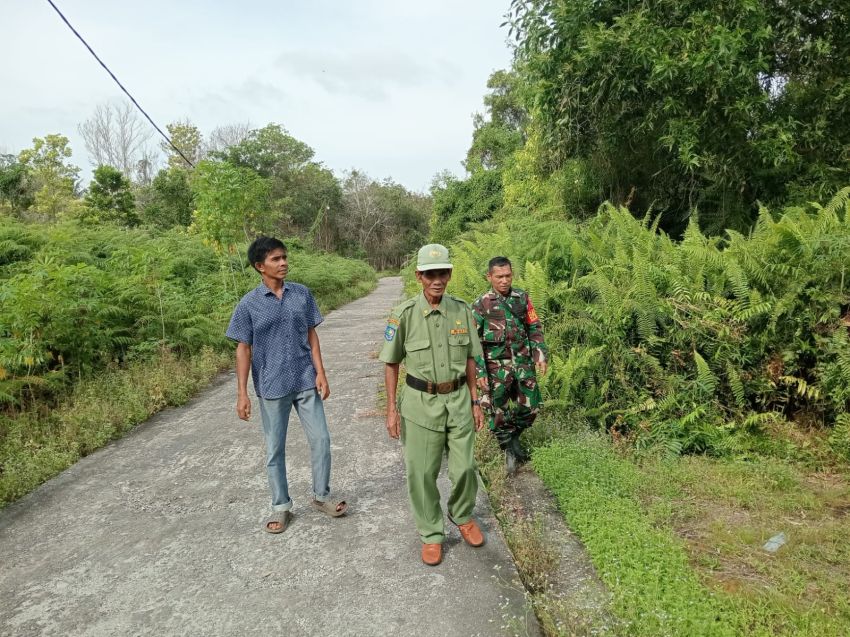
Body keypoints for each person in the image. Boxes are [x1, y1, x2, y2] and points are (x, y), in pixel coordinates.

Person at [226, 236, 347, 534]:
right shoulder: (249, 304)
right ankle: (281, 506)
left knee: (321, 440)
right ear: (259, 266)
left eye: (284, 258)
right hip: (271, 385)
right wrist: (241, 393)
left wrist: (321, 372)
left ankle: (321, 496)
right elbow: (243, 348)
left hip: (305, 378)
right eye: (275, 259)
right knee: (274, 449)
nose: (283, 263)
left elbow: (311, 334)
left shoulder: (301, 295)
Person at [380, 244, 487, 566]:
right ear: (419, 276)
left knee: (465, 467)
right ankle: (431, 533)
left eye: (442, 273)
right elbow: (391, 364)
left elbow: (470, 358)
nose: (437, 280)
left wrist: (475, 400)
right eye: (430, 274)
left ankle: (462, 514)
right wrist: (390, 409)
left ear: (450, 274)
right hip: (419, 406)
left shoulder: (462, 311)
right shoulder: (404, 315)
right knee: (422, 474)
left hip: (458, 402)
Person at [472, 256, 548, 475]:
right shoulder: (481, 304)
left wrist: (540, 353)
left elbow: (534, 326)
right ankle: (509, 451)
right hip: (496, 369)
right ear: (490, 277)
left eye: (508, 276)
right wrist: (479, 371)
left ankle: (511, 438)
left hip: (523, 364)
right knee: (497, 411)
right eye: (499, 277)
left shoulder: (522, 298)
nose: (504, 281)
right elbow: (472, 341)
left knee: (531, 407)